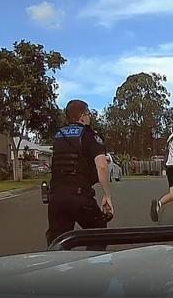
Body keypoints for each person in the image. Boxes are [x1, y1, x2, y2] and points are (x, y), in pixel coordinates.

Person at [46, 99, 114, 246]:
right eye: (88, 114)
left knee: (58, 241)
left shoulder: (58, 136)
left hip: (56, 197)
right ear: (82, 116)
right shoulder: (89, 135)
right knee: (98, 233)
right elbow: (102, 166)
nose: (89, 117)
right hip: (79, 197)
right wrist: (107, 195)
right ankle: (92, 264)